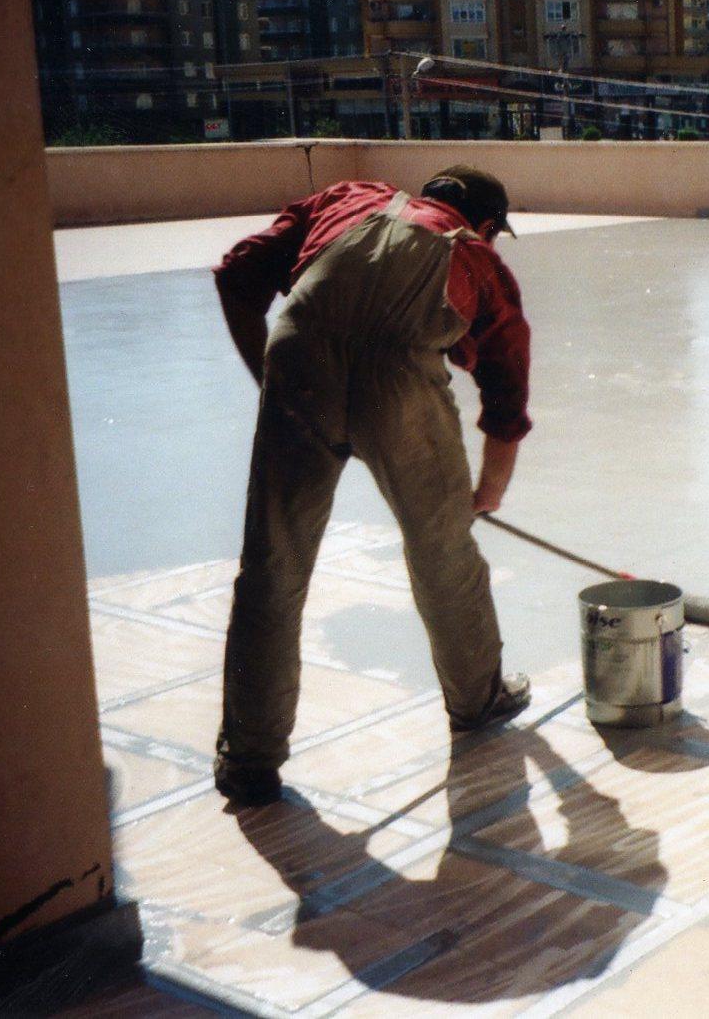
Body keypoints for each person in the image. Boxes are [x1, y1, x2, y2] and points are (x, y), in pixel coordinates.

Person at [210, 166, 535, 807]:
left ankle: (249, 758)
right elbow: (506, 389)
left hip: (297, 356)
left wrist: (274, 383)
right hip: (402, 384)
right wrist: (486, 492)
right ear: (488, 225)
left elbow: (237, 275)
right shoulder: (475, 255)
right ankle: (477, 700)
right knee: (443, 555)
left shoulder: (345, 198)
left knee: (272, 566)